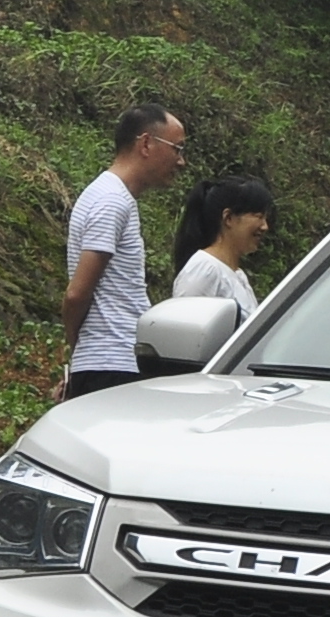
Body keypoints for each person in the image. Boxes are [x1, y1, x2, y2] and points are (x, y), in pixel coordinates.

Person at [61, 102, 188, 398]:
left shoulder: (111, 197)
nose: (181, 162)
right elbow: (77, 294)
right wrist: (79, 350)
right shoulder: (111, 201)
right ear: (146, 143)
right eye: (177, 149)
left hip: (111, 364)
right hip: (112, 366)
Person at [172, 171, 274, 311]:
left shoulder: (238, 275)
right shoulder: (204, 271)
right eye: (258, 216)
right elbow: (183, 324)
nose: (264, 226)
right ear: (229, 218)